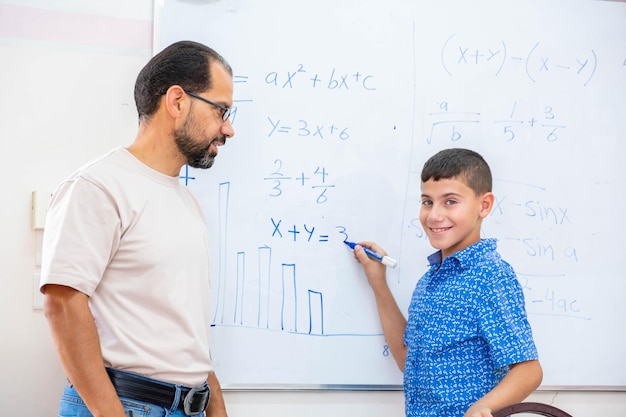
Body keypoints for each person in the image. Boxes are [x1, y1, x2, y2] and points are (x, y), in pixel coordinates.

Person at [40, 40, 235, 417]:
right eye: (221, 110)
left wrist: (215, 409)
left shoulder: (187, 202)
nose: (228, 129)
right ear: (177, 102)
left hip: (189, 406)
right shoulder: (98, 186)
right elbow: (63, 304)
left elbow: (188, 333)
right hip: (129, 406)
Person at [350, 148, 542, 417]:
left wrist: (484, 406)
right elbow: (408, 360)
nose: (433, 215)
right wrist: (378, 282)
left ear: (484, 205)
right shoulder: (429, 281)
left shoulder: (490, 276)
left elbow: (528, 369)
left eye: (450, 201)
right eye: (427, 201)